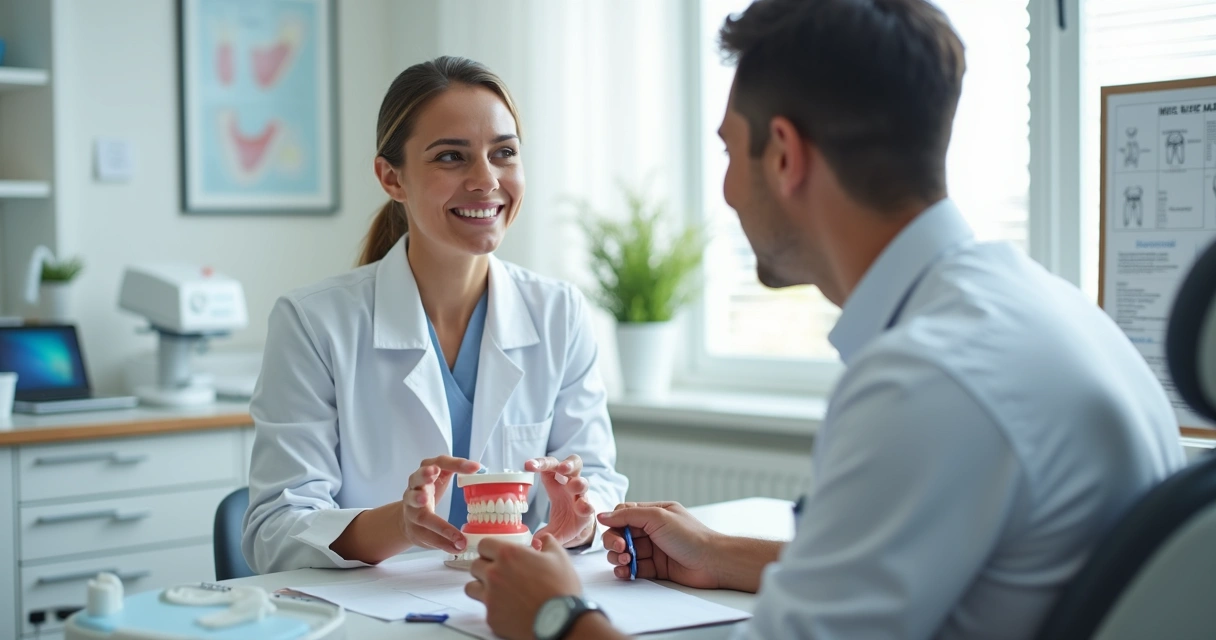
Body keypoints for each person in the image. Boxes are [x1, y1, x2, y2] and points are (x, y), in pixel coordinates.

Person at [461, 1, 1187, 639]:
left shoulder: (926, 380)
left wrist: (556, 617)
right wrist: (719, 554)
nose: (726, 189)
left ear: (784, 155)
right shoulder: (1046, 312)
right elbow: (937, 570)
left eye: (729, 150)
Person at [243, 56, 628, 574]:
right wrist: (400, 525)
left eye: (504, 153)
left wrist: (578, 520)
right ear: (391, 178)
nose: (486, 180)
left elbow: (598, 480)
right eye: (451, 156)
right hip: (368, 608)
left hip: (518, 596)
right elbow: (275, 529)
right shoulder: (313, 323)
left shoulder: (558, 313)